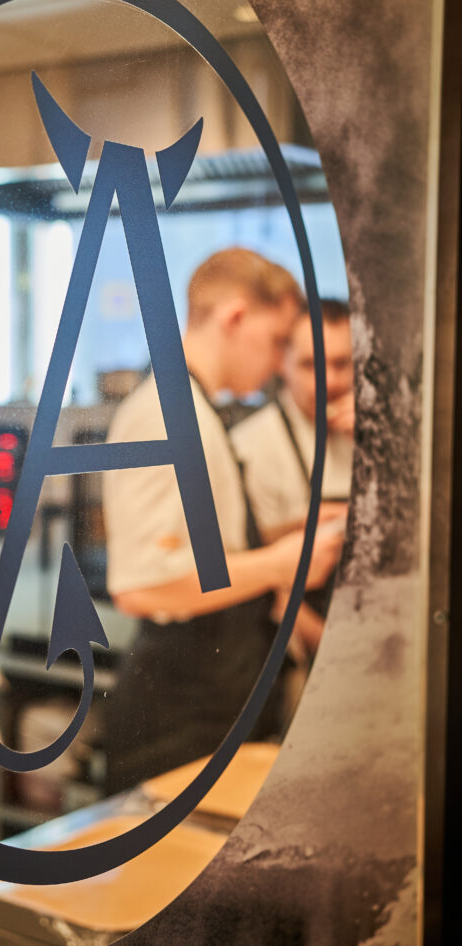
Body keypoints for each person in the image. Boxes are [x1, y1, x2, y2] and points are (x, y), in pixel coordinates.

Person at [102, 248, 343, 792]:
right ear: (235, 318)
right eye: (278, 340)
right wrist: (285, 562)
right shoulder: (167, 411)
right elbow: (145, 584)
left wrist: (292, 531)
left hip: (213, 708)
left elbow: (206, 550)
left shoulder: (197, 408)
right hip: (178, 719)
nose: (279, 359)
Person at [231, 298, 354, 659]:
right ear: (280, 362)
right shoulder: (253, 447)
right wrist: (336, 651)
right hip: (300, 652)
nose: (328, 380)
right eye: (309, 364)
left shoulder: (379, 435)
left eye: (342, 364)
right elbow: (262, 581)